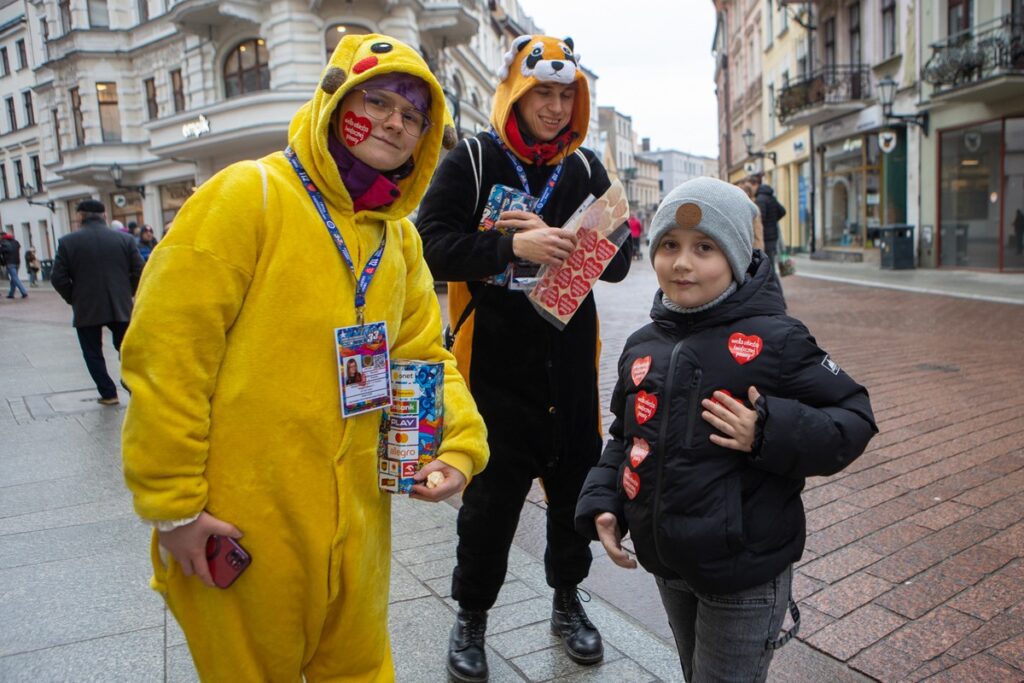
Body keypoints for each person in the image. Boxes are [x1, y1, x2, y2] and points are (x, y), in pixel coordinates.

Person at [119, 34, 488, 681]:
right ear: (334, 97)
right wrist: (173, 505)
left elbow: (423, 354)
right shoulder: (246, 196)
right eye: (376, 101)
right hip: (242, 526)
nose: (394, 123)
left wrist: (458, 447)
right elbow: (168, 354)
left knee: (361, 669)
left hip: (359, 536)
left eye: (413, 116)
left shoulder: (396, 237)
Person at [575, 177, 877, 683]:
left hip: (745, 569)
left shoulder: (778, 339)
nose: (682, 262)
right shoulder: (643, 343)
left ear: (736, 255)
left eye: (705, 247)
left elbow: (854, 416)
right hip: (668, 562)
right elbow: (626, 437)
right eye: (669, 245)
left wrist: (767, 430)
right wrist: (605, 502)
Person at [417, 33, 633, 682]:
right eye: (544, 91)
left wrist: (596, 240)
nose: (556, 105)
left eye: (567, 94)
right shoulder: (475, 161)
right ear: (516, 90)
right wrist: (514, 250)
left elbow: (621, 264)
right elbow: (432, 245)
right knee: (486, 512)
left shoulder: (588, 169)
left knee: (574, 503)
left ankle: (568, 603)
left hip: (568, 376)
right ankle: (472, 616)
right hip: (491, 377)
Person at [50, 199, 144, 404]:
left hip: (86, 306)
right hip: (120, 304)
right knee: (127, 349)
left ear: (80, 216)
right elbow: (140, 270)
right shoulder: (124, 240)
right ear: (104, 216)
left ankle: (108, 393)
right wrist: (127, 292)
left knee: (92, 352)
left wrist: (74, 297)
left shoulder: (68, 242)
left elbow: (57, 278)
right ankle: (135, 389)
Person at [752, 174, 786, 275]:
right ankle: (775, 287)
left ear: (755, 185)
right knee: (771, 264)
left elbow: (760, 219)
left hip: (766, 236)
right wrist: (773, 220)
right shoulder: (771, 197)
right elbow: (782, 211)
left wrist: (767, 223)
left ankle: (775, 289)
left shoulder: (760, 199)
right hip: (774, 235)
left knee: (768, 266)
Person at [1, 232, 29, 299]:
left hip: (10, 263)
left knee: (15, 278)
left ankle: (24, 292)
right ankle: (11, 293)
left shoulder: (4, 244)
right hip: (17, 262)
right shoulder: (16, 242)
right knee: (13, 278)